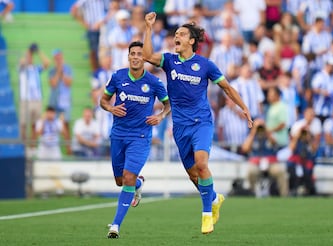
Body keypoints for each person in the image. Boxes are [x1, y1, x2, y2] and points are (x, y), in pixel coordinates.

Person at [143, 12, 253, 234]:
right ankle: (213, 198)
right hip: (180, 127)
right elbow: (146, 55)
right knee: (194, 175)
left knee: (202, 164)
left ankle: (206, 216)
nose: (177, 37)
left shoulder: (205, 65)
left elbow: (227, 88)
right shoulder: (169, 60)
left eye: (182, 34)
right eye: (176, 34)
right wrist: (148, 27)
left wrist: (244, 107)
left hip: (202, 122)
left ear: (192, 41)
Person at [100, 41, 171, 239]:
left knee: (127, 178)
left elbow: (168, 105)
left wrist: (160, 117)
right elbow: (103, 101)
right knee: (120, 181)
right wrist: (111, 108)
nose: (136, 56)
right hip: (118, 135)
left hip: (140, 136)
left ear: (144, 58)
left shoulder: (154, 82)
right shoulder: (117, 77)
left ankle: (115, 225)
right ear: (129, 56)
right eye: (133, 53)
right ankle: (138, 185)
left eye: (140, 53)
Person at [241, 119, 289, 197]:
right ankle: (252, 194)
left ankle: (284, 195)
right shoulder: (252, 136)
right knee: (250, 171)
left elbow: (275, 143)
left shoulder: (269, 134)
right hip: (256, 163)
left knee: (281, 171)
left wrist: (266, 131)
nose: (260, 129)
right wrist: (253, 131)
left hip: (271, 163)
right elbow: (245, 148)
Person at [19, 43, 50, 149]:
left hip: (36, 99)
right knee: (23, 124)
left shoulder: (36, 69)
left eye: (31, 57)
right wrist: (29, 50)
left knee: (34, 125)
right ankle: (23, 146)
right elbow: (22, 61)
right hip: (25, 100)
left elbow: (46, 63)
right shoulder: (22, 68)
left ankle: (32, 147)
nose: (30, 59)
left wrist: (39, 52)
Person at [48, 49, 73, 155]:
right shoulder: (52, 71)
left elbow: (68, 83)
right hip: (54, 101)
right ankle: (55, 147)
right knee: (54, 124)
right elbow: (53, 83)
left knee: (66, 124)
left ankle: (68, 148)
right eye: (56, 58)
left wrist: (62, 72)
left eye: (59, 57)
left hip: (65, 101)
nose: (58, 60)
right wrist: (58, 71)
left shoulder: (68, 69)